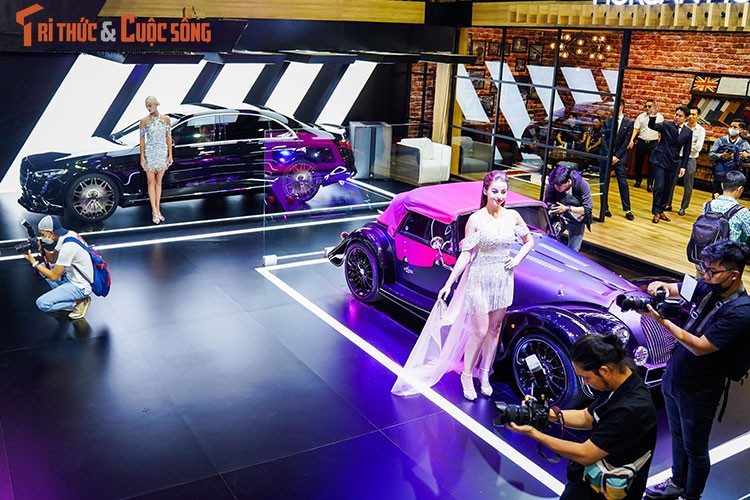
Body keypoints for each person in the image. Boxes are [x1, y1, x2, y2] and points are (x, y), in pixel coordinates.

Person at [391, 171, 534, 400]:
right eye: (495, 191)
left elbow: (529, 241)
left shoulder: (513, 216)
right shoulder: (476, 219)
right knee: (479, 330)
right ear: (485, 191)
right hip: (479, 278)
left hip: (503, 279)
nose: (499, 196)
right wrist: (449, 283)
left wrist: (517, 259)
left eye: (503, 192)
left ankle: (485, 373)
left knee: (495, 329)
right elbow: (466, 254)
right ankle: (467, 375)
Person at [643, 240, 750, 500]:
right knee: (677, 436)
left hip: (700, 388)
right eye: (704, 268)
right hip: (675, 374)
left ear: (733, 274)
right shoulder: (707, 285)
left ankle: (691, 496)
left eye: (713, 271)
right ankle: (677, 483)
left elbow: (701, 347)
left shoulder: (741, 312)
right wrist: (660, 286)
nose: (706, 275)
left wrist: (662, 323)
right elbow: (676, 288)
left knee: (695, 448)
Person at [507, 334, 657, 500]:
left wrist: (533, 433)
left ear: (604, 371)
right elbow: (587, 417)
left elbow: (585, 454)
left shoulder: (631, 409)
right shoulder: (619, 383)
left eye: (586, 377)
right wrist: (545, 413)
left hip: (609, 492)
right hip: (591, 480)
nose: (585, 383)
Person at [22, 215, 93, 320]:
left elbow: (54, 277)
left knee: (42, 304)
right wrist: (41, 249)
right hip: (72, 276)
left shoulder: (68, 248)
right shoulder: (68, 235)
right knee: (43, 267)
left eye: (43, 234)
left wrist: (34, 263)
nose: (42, 237)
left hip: (80, 287)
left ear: (51, 233)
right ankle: (65, 297)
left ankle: (79, 302)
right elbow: (52, 259)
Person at [647, 104, 692, 224]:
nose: (677, 117)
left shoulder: (688, 132)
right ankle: (656, 211)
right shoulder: (666, 125)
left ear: (686, 118)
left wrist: (683, 166)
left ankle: (661, 210)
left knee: (668, 188)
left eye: (680, 116)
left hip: (674, 162)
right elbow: (652, 126)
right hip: (660, 160)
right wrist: (653, 115)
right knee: (659, 186)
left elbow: (687, 150)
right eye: (676, 114)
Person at [140, 95, 173, 225]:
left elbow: (168, 137)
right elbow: (142, 140)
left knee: (159, 183)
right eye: (146, 106)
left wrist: (170, 155)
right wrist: (142, 157)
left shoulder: (166, 119)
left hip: (162, 152)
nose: (148, 108)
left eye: (150, 105)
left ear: (156, 104)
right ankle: (154, 211)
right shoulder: (144, 121)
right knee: (151, 183)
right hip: (150, 153)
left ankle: (158, 210)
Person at [544, 165, 593, 252]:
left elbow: (587, 209)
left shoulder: (582, 185)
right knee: (549, 244)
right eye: (555, 185)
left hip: (577, 219)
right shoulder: (552, 185)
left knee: (573, 251)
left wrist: (567, 209)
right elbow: (546, 203)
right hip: (558, 217)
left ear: (569, 181)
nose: (557, 187)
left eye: (560, 185)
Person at [600, 101, 635, 220]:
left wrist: (617, 156)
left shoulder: (629, 123)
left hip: (620, 157)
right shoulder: (607, 122)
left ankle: (627, 209)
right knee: (604, 182)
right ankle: (604, 207)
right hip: (607, 156)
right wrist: (609, 155)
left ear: (622, 107)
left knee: (623, 183)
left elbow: (626, 141)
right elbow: (603, 139)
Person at [675, 105, 706, 216]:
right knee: (671, 181)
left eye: (694, 114)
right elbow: (676, 144)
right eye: (690, 114)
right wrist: (689, 144)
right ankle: (667, 203)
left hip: (691, 159)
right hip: (678, 157)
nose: (691, 117)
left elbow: (698, 148)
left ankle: (683, 207)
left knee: (688, 185)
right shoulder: (681, 127)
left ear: (698, 116)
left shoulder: (701, 130)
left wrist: (686, 145)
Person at [708, 119, 750, 198]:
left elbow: (747, 157)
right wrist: (722, 156)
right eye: (731, 126)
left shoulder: (744, 144)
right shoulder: (721, 141)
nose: (732, 129)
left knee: (730, 196)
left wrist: (746, 155)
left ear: (740, 130)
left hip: (734, 175)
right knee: (716, 195)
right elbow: (711, 154)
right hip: (720, 172)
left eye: (735, 127)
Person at [629, 99, 664, 191]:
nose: (647, 108)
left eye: (649, 106)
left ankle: (650, 184)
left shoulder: (659, 117)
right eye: (646, 106)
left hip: (653, 143)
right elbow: (636, 129)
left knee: (652, 164)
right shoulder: (641, 117)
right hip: (642, 142)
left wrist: (660, 139)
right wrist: (631, 140)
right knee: (638, 162)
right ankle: (638, 180)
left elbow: (661, 130)